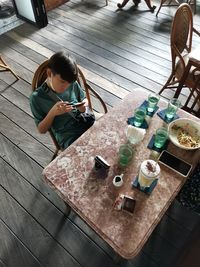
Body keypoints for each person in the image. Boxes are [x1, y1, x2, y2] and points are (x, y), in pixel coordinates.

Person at [30, 51, 94, 150]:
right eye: (62, 82)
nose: (66, 87)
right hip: (68, 136)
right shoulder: (37, 98)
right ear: (49, 73)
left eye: (69, 83)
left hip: (84, 122)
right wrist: (53, 113)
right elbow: (41, 130)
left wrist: (83, 105)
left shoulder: (72, 83)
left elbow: (84, 99)